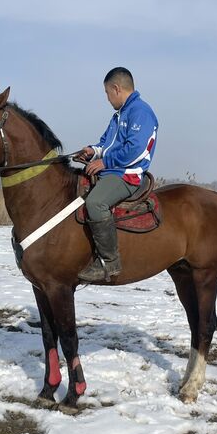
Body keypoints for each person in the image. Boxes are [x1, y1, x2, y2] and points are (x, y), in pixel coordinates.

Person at [78, 67, 159, 283]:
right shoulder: (119, 115)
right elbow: (106, 143)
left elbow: (136, 149)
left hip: (127, 175)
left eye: (107, 93)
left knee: (95, 203)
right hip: (111, 170)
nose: (107, 98)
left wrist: (104, 162)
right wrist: (93, 151)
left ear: (116, 88)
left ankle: (109, 262)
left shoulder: (140, 112)